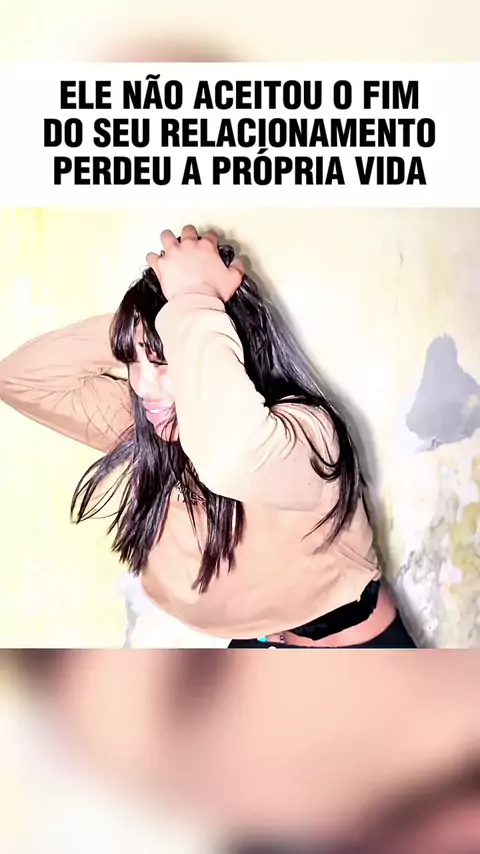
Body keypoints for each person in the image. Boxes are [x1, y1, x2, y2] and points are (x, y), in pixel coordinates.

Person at [0, 225, 416, 648]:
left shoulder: (306, 433)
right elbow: (20, 380)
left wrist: (194, 299)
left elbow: (229, 459)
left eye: (164, 359)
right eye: (133, 361)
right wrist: (141, 321)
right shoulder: (158, 422)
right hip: (262, 646)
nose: (141, 384)